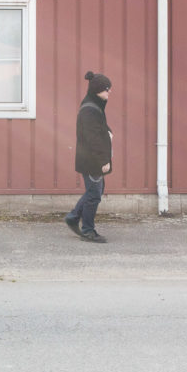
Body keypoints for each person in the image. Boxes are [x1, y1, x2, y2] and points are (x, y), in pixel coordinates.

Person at [65, 71, 113, 243]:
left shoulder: (94, 106)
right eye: (107, 89)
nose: (109, 92)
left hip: (92, 160)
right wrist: (103, 161)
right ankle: (87, 230)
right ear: (97, 90)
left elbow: (98, 132)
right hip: (92, 161)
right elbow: (93, 140)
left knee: (94, 192)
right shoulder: (90, 110)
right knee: (94, 195)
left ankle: (73, 217)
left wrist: (108, 132)